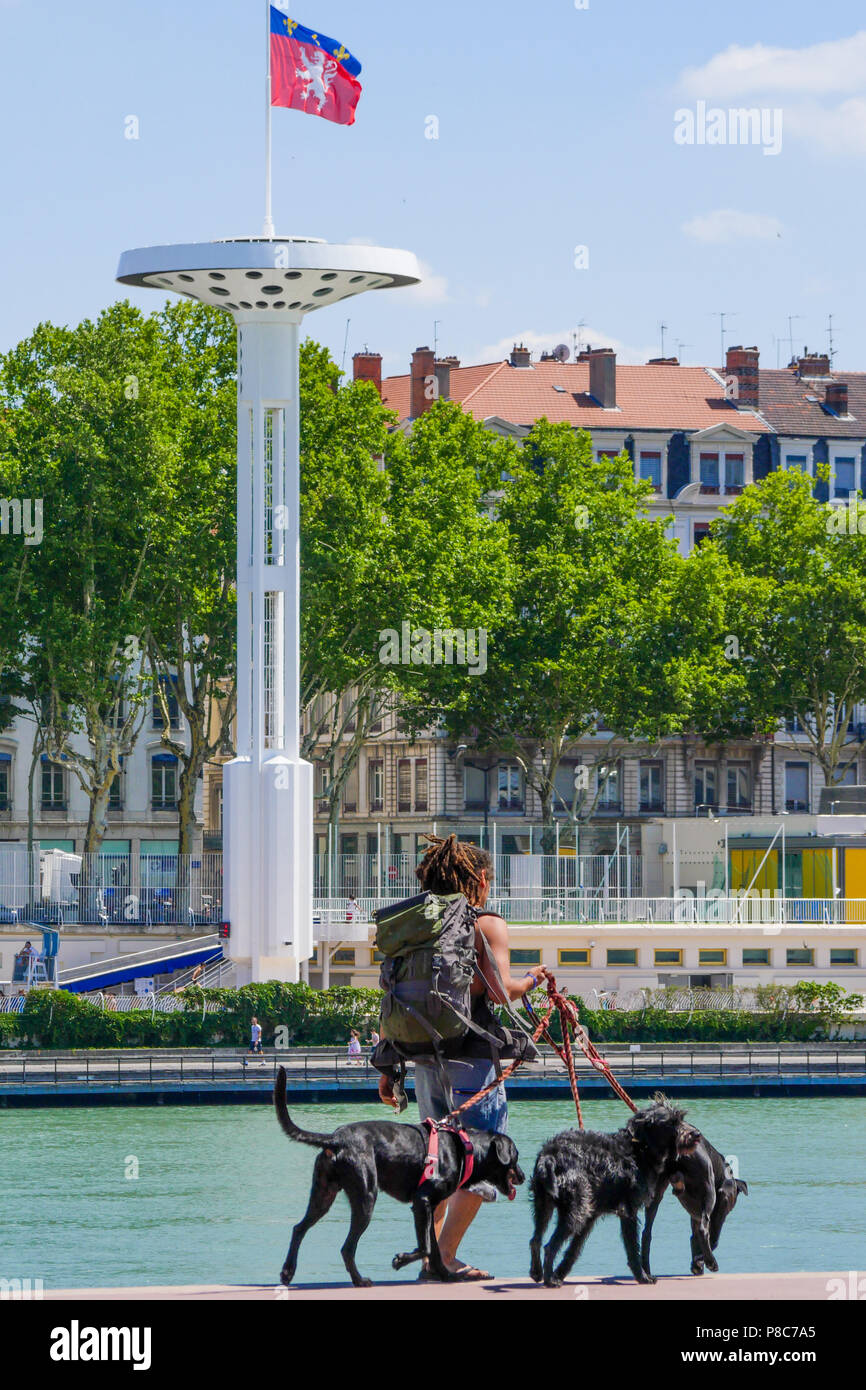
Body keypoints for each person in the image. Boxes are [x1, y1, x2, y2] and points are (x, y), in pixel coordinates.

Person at [376, 834, 550, 1282]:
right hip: (473, 1063)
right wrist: (533, 978)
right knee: (480, 1163)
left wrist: (387, 1068)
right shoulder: (485, 923)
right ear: (479, 878)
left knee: (437, 1166)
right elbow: (499, 991)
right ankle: (444, 1258)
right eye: (488, 878)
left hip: (423, 1063)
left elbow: (392, 997)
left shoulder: (418, 925)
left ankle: (433, 1259)